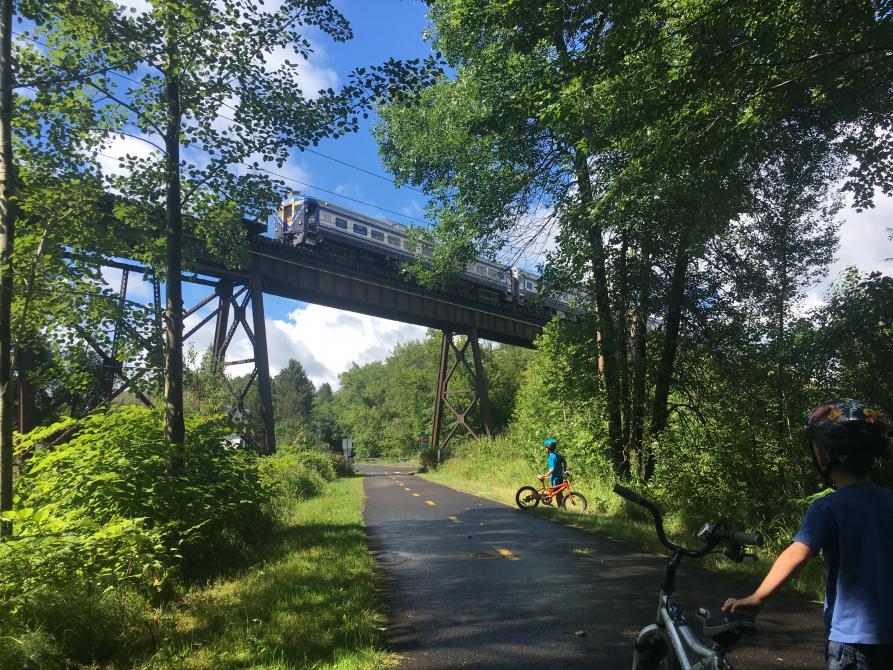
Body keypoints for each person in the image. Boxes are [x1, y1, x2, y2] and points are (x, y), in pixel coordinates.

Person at [722, 399, 893, 670]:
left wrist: (758, 598)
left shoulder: (828, 507)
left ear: (823, 455)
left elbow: (797, 554)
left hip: (852, 643)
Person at [538, 438, 565, 505]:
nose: (545, 449)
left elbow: (552, 469)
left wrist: (545, 475)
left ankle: (560, 507)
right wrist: (564, 470)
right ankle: (561, 507)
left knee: (556, 493)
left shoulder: (551, 458)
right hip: (560, 477)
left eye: (545, 448)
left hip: (555, 478)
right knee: (558, 493)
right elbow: (565, 462)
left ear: (547, 448)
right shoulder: (558, 456)